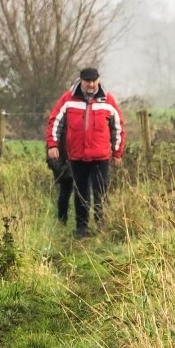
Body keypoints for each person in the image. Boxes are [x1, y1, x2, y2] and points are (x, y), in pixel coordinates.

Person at [44, 66, 122, 235]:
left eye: (94, 81)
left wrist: (117, 153)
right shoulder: (68, 99)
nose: (91, 84)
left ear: (98, 80)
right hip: (77, 156)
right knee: (81, 192)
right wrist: (53, 145)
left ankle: (102, 224)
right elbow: (54, 122)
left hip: (100, 156)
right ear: (81, 81)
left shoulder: (108, 101)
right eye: (88, 81)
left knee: (100, 191)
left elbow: (118, 127)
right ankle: (81, 227)